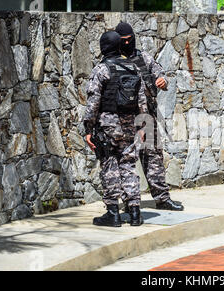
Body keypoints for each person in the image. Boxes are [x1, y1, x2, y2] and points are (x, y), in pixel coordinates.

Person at [115, 22, 184, 212]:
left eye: (130, 39)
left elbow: (158, 71)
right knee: (127, 159)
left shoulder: (142, 57)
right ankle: (131, 203)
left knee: (153, 157)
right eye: (124, 41)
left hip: (147, 116)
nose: (128, 43)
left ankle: (162, 198)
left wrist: (162, 80)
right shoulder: (113, 61)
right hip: (126, 119)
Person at [83, 30, 148, 227]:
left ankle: (113, 213)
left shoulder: (102, 69)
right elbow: (142, 99)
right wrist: (142, 126)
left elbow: (93, 102)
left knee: (110, 166)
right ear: (119, 46)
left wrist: (88, 128)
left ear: (104, 47)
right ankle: (135, 212)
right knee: (128, 165)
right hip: (130, 125)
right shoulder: (133, 68)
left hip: (108, 126)